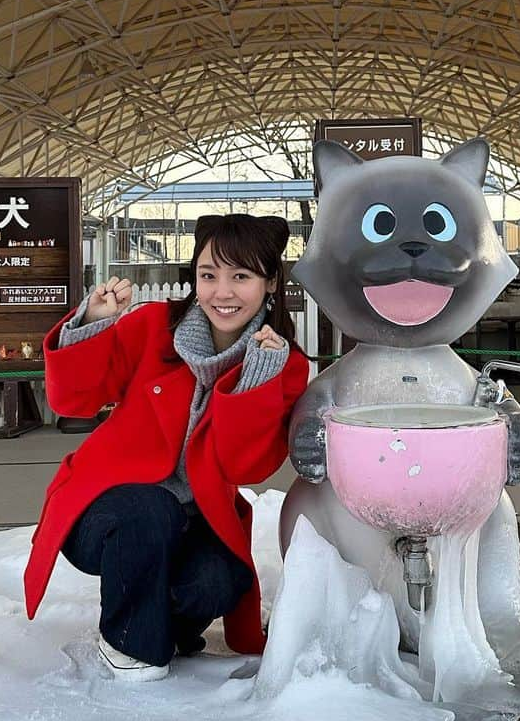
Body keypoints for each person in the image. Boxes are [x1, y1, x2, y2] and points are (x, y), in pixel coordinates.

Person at [22, 214, 309, 681]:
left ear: (270, 281)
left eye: (241, 276)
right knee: (151, 507)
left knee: (222, 579)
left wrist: (256, 380)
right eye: (208, 275)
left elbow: (246, 465)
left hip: (193, 523)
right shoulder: (153, 326)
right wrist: (92, 323)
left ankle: (155, 623)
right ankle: (130, 647)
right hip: (107, 512)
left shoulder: (284, 362)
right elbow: (74, 401)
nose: (223, 292)